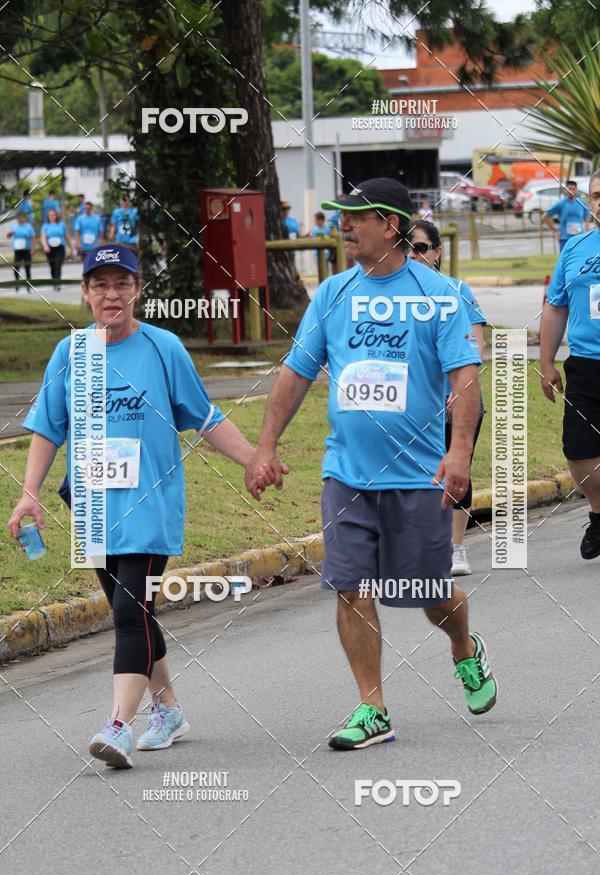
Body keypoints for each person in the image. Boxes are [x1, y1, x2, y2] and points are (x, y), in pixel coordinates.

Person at [246, 177, 497, 750]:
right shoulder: (333, 294)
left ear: (389, 224)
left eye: (354, 216)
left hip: (419, 476)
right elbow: (296, 372)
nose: (343, 224)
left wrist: (459, 454)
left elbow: (465, 378)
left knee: (430, 595)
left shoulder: (439, 295)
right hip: (348, 474)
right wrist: (266, 445)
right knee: (352, 586)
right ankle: (372, 709)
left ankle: (464, 646)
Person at [8, 244, 260, 769]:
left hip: (149, 507)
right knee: (136, 613)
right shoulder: (70, 354)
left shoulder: (163, 348)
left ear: (138, 289)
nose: (111, 294)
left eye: (121, 283)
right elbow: (48, 428)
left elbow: (205, 416)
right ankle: (167, 710)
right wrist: (29, 494)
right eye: (100, 285)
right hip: (93, 510)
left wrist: (253, 460)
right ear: (85, 293)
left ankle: (119, 726)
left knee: (128, 612)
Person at [407, 219, 486, 576]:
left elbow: (475, 344)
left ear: (437, 253)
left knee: (456, 468)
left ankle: (455, 548)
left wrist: (462, 389)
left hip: (454, 398)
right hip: (411, 404)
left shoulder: (456, 290)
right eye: (406, 247)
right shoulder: (391, 296)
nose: (413, 254)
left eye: (421, 248)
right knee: (417, 474)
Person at [539, 169, 600, 558]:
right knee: (578, 450)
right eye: (597, 195)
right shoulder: (575, 248)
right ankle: (599, 514)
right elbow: (555, 305)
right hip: (586, 365)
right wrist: (547, 362)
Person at [542, 180, 591, 252]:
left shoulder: (582, 203)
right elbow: (545, 217)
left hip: (579, 238)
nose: (571, 191)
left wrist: (587, 235)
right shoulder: (561, 204)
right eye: (569, 189)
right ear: (565, 190)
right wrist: (555, 231)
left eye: (573, 189)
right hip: (565, 239)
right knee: (566, 261)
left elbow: (586, 220)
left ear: (576, 190)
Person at [40, 209, 72, 289]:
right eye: (50, 215)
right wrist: (45, 246)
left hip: (60, 248)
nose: (51, 216)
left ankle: (57, 283)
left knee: (58, 265)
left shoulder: (61, 225)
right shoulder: (46, 226)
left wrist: (71, 247)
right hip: (50, 249)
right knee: (52, 266)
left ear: (56, 216)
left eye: (53, 215)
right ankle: (54, 280)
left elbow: (67, 236)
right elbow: (43, 238)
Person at [8, 212, 36, 292]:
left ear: (25, 218)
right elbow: (8, 236)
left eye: (22, 218)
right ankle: (17, 283)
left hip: (27, 250)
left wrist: (33, 249)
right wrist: (10, 234)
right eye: (19, 218)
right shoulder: (14, 226)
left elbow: (33, 238)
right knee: (16, 267)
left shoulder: (28, 227)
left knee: (27, 268)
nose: (20, 220)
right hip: (17, 250)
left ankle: (28, 285)